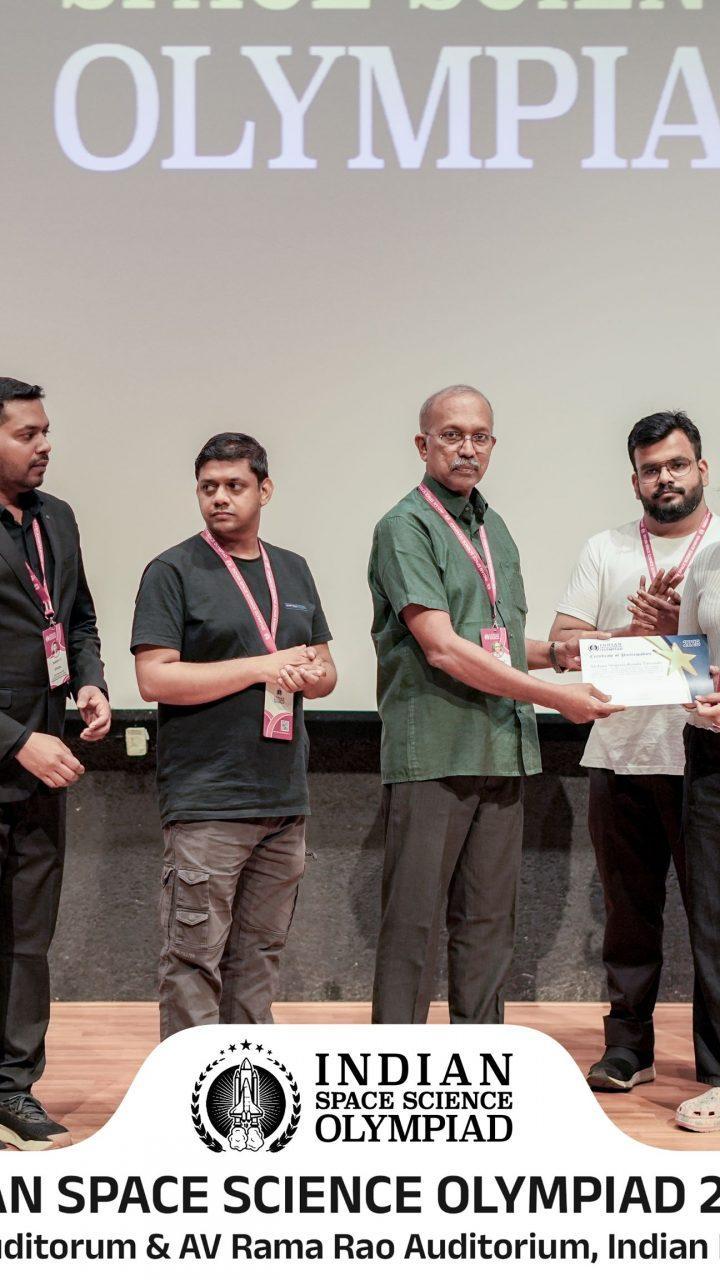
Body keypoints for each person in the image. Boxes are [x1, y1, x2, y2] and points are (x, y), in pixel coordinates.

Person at [368, 384, 623, 1026]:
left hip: (502, 751)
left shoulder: (493, 528)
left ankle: (479, 1057)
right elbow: (443, 648)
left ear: (493, 445)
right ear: (423, 444)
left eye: (479, 436)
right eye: (452, 435)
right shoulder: (405, 526)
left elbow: (497, 645)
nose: (467, 449)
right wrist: (554, 696)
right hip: (436, 751)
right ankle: (393, 1060)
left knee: (488, 925)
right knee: (413, 927)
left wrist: (562, 654)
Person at [131, 432, 336, 1038]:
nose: (219, 498)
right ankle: (191, 1087)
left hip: (283, 799)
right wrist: (262, 667)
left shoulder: (292, 568)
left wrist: (310, 674)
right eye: (208, 487)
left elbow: (326, 672)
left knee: (259, 959)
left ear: (264, 490)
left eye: (234, 485)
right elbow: (154, 678)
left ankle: (247, 1085)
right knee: (193, 961)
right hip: (208, 801)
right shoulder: (173, 570)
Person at [551, 410, 718, 1092]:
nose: (665, 478)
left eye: (677, 465)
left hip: (705, 761)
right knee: (627, 919)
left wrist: (678, 633)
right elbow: (564, 643)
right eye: (651, 470)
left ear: (701, 469)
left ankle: (714, 1064)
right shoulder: (607, 549)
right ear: (635, 480)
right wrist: (632, 634)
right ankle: (628, 1049)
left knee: (714, 922)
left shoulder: (718, 549)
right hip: (620, 755)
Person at [0, 377, 110, 1150]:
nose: (45, 445)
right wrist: (16, 740)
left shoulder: (56, 518)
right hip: (19, 749)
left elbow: (77, 618)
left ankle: (12, 1086)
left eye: (45, 432)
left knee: (27, 939)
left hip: (45, 767)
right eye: (27, 434)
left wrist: (90, 680)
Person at [673, 542, 720, 1130]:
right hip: (710, 751)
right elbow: (687, 657)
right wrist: (696, 699)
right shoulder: (708, 562)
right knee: (711, 916)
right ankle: (719, 1075)